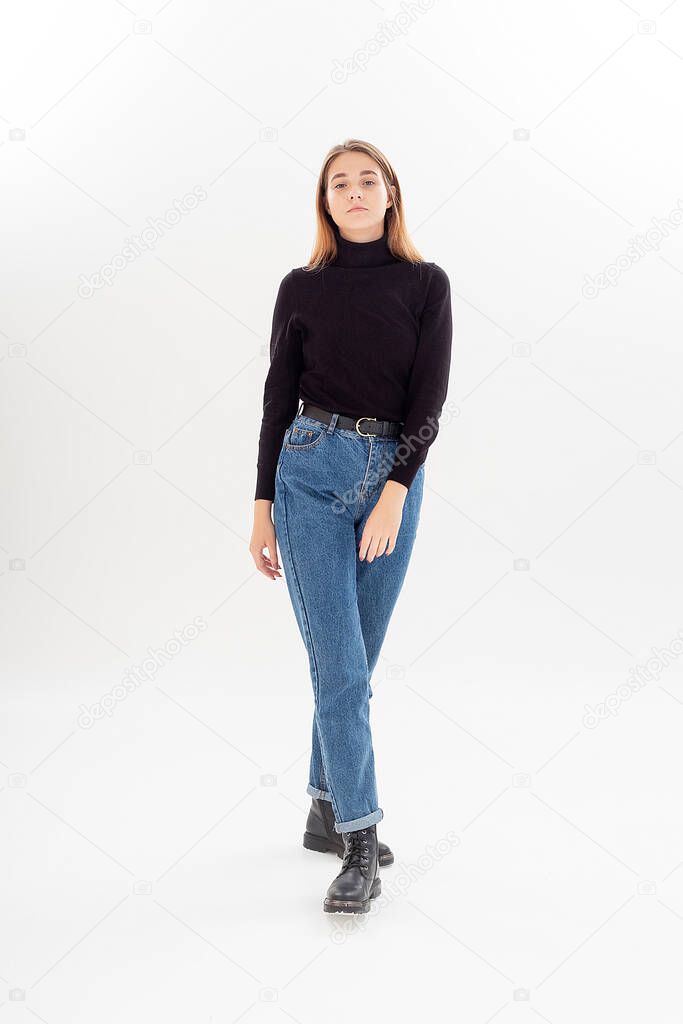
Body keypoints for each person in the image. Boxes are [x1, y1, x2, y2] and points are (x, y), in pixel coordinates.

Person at [250, 138, 453, 914]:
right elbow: (275, 398)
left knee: (352, 667)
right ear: (325, 203)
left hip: (392, 477)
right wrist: (262, 507)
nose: (356, 191)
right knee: (339, 668)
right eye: (340, 183)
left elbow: (429, 395)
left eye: (369, 180)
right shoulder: (301, 287)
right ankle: (359, 842)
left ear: (391, 195)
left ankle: (322, 808)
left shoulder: (425, 284)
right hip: (308, 472)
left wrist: (397, 487)